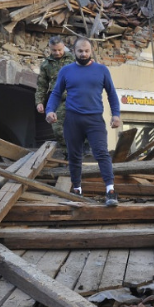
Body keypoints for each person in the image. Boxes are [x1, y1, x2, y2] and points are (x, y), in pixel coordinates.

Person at [46, 37, 121, 206]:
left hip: (95, 119)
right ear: (73, 51)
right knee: (74, 156)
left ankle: (110, 191)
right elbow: (56, 93)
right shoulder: (66, 71)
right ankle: (77, 190)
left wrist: (116, 114)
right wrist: (50, 110)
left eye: (86, 51)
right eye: (80, 51)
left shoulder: (102, 70)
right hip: (72, 119)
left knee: (102, 153)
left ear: (91, 51)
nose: (83, 54)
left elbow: (111, 94)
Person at [35, 36, 74, 154]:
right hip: (57, 99)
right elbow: (42, 85)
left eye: (59, 50)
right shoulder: (46, 65)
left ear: (64, 47)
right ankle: (68, 153)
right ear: (50, 49)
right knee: (57, 128)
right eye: (54, 50)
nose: (57, 53)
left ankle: (85, 151)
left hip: (74, 97)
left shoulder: (74, 60)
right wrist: (39, 102)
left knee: (79, 125)